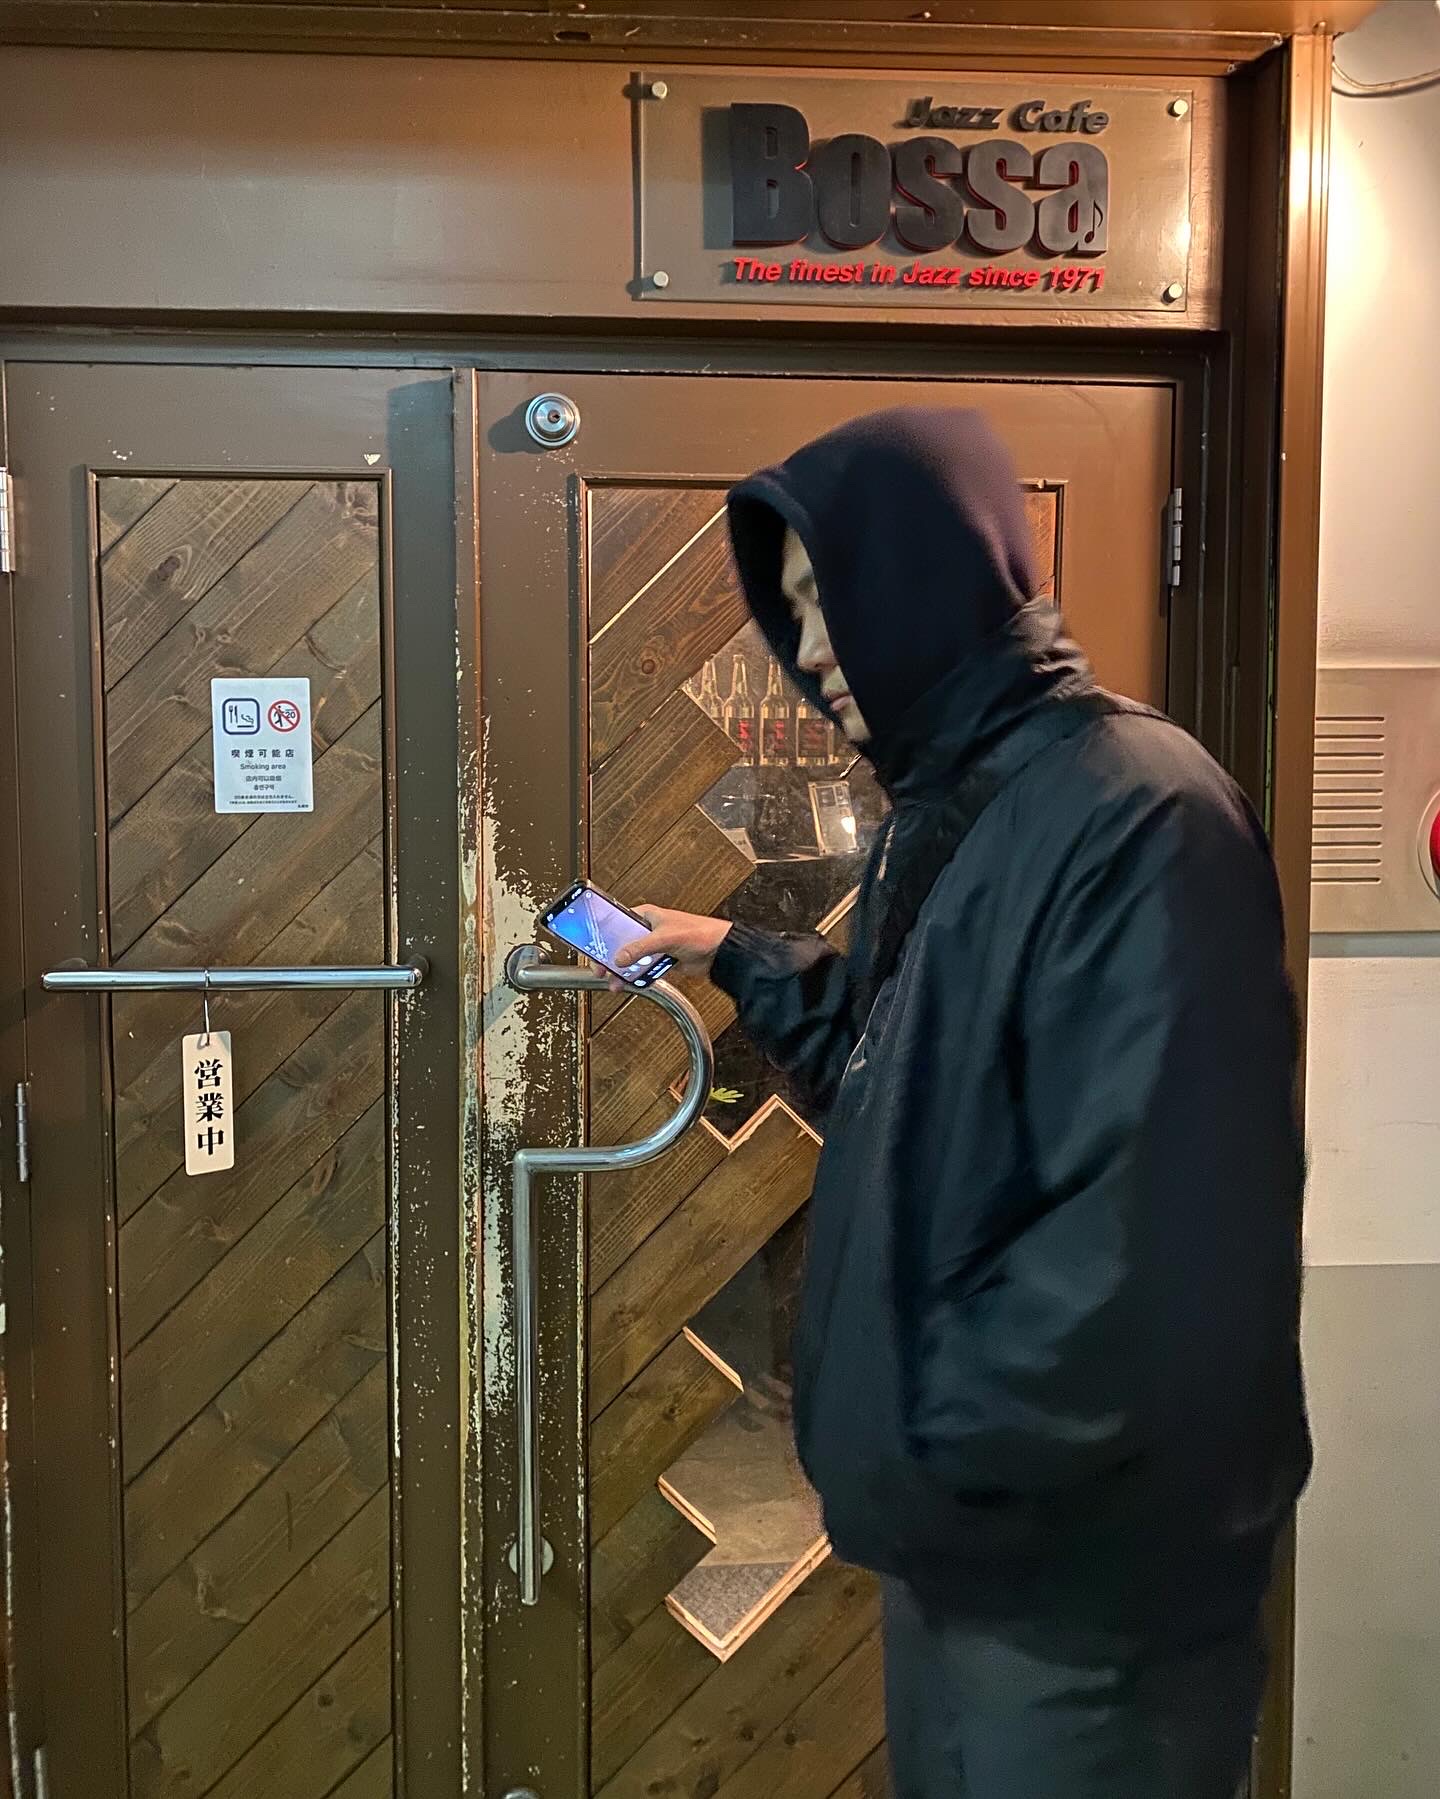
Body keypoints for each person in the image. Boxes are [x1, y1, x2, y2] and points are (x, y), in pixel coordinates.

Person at [612, 407, 1310, 1798]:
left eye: (832, 600)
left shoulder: (1140, 818)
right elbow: (912, 1089)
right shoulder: (964, 810)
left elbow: (1151, 1259)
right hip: (979, 1565)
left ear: (934, 576)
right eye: (793, 613)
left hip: (1083, 1598)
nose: (811, 650)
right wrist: (730, 952)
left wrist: (926, 1440)